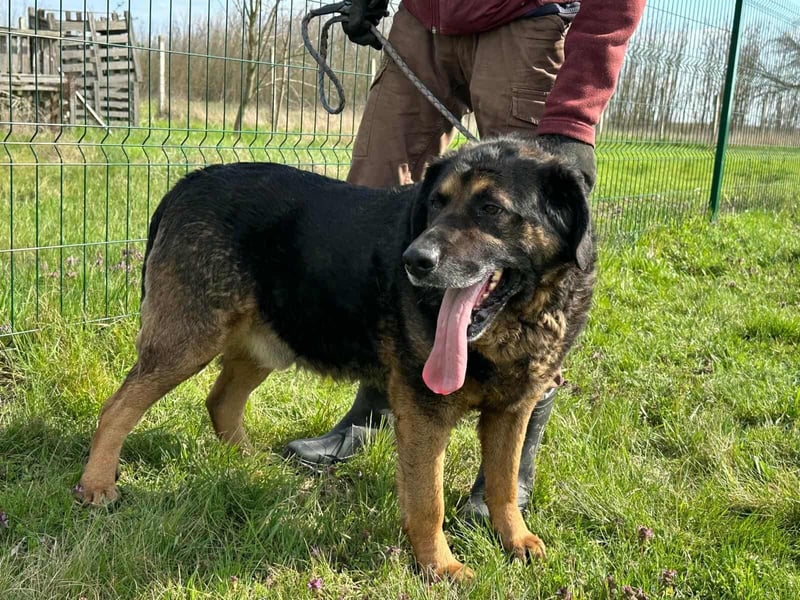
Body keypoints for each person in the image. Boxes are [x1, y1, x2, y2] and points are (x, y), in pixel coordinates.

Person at [286, 0, 646, 520]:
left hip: (525, 19)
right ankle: (378, 409)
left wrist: (573, 116)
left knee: (523, 241)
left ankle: (505, 482)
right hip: (421, 18)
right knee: (381, 204)